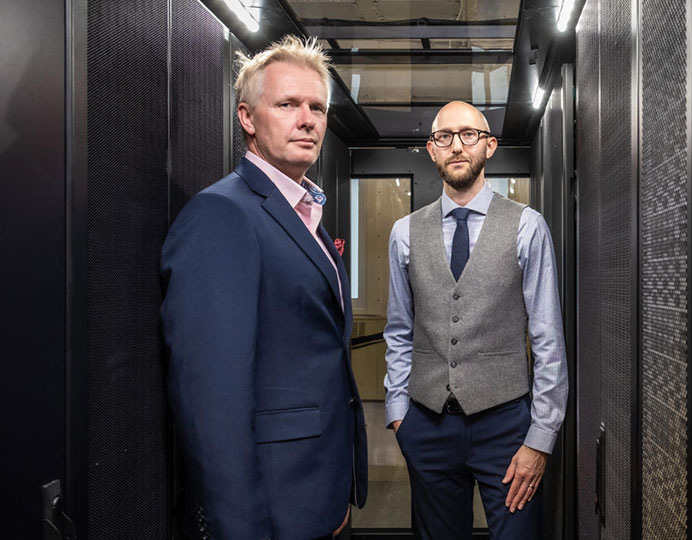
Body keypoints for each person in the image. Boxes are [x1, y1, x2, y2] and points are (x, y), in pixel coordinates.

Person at [160, 36, 365, 540]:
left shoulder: (305, 214)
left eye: (316, 106)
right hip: (268, 509)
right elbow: (211, 399)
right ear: (248, 118)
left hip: (315, 492)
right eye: (288, 104)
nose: (307, 119)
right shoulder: (222, 215)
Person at [383, 101, 568, 539]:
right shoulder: (404, 232)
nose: (456, 146)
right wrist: (398, 416)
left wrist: (540, 437)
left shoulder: (527, 226)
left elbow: (548, 340)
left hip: (506, 426)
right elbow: (398, 330)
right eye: (444, 137)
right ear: (432, 150)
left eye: (468, 134)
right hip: (426, 425)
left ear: (489, 145)